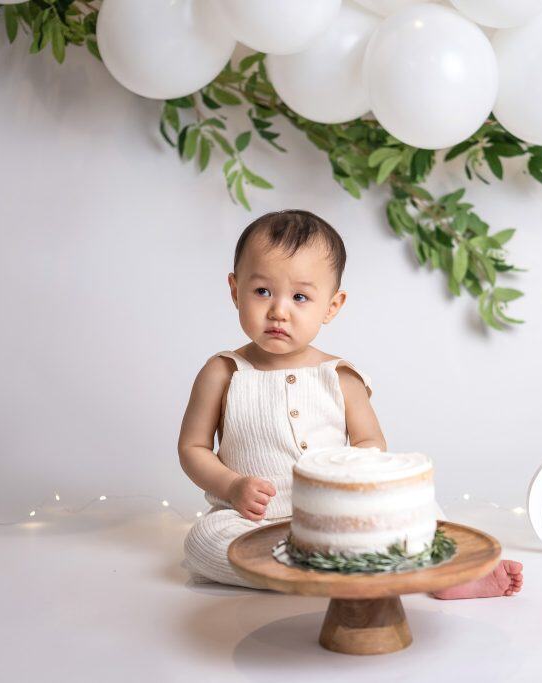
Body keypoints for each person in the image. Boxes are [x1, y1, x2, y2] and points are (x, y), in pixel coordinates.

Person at [178, 209, 523, 599]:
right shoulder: (223, 372)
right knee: (203, 540)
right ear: (234, 289)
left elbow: (370, 445)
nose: (279, 310)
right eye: (262, 291)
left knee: (422, 509)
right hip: (249, 522)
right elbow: (193, 449)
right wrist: (232, 485)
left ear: (332, 306)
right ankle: (339, 569)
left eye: (300, 297)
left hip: (335, 517)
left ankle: (450, 575)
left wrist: (350, 486)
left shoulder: (339, 376)